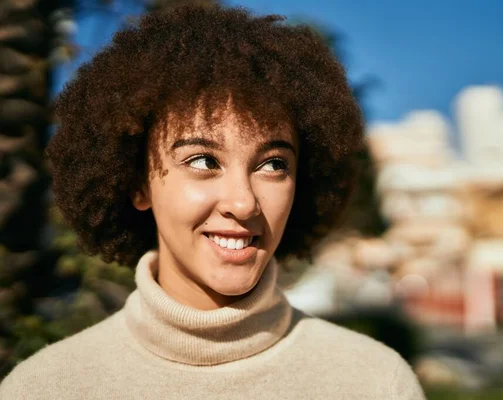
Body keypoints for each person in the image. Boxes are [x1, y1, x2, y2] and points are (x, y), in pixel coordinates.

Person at [0, 5, 425, 399]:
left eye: (273, 164)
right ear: (138, 184)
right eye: (203, 160)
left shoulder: (374, 382)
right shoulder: (46, 388)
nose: (243, 203)